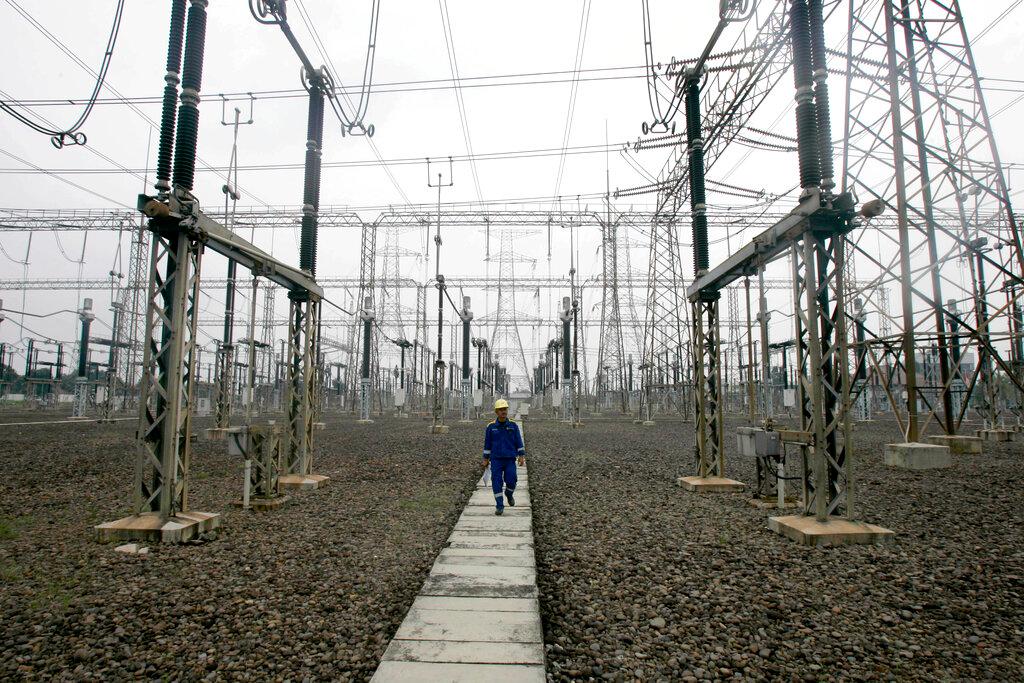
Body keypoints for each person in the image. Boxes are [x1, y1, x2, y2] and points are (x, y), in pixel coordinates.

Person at [482, 398, 526, 516]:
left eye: (505, 409)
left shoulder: (513, 425)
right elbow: (487, 444)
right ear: (496, 412)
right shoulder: (491, 427)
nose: (503, 412)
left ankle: (509, 494)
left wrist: (521, 456)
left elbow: (519, 441)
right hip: (496, 459)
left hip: (510, 459)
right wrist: (485, 459)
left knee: (512, 480)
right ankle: (499, 506)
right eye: (501, 409)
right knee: (496, 482)